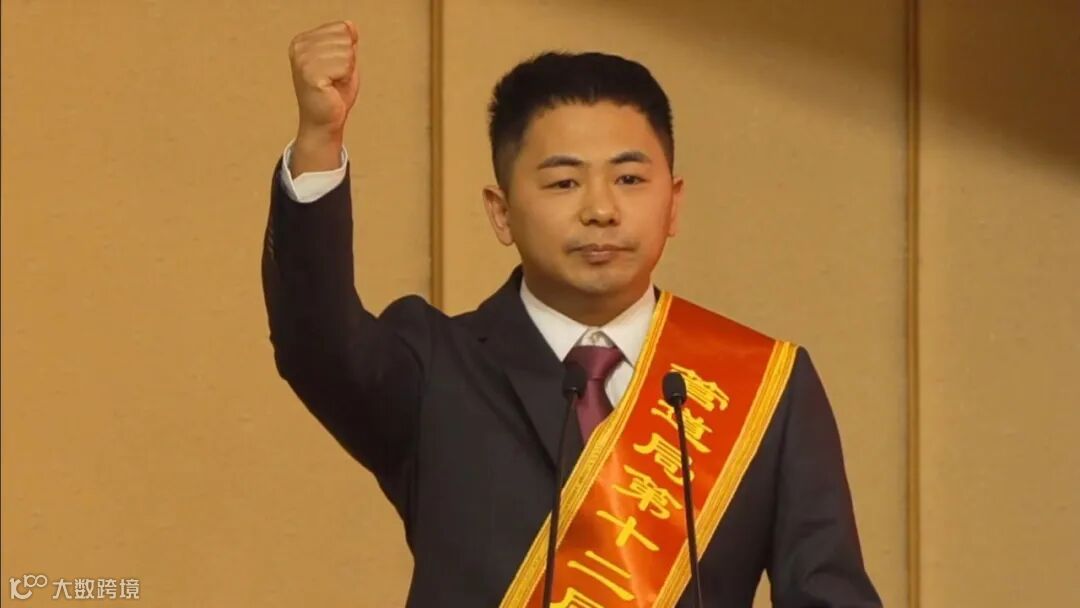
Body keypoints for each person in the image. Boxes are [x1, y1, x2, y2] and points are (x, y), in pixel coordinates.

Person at [262, 19, 882, 608]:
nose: (601, 210)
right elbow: (316, 341)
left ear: (673, 204)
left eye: (630, 179)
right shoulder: (435, 368)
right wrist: (320, 139)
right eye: (564, 183)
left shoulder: (765, 384)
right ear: (501, 212)